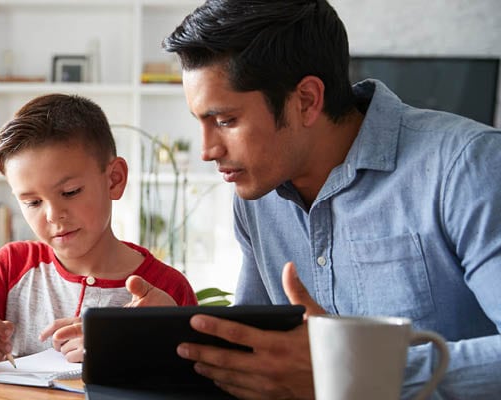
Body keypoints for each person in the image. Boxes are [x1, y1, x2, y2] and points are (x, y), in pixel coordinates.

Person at [125, 0, 501, 398]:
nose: (207, 150)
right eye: (200, 122)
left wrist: (349, 371)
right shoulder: (256, 198)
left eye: (225, 121)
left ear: (306, 100)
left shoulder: (468, 166)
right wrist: (176, 337)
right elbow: (262, 354)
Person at [0, 93, 198, 373]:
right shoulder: (13, 266)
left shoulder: (165, 289)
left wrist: (137, 347)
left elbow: (193, 379)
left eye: (70, 192)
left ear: (114, 180)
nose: (54, 215)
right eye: (32, 202)